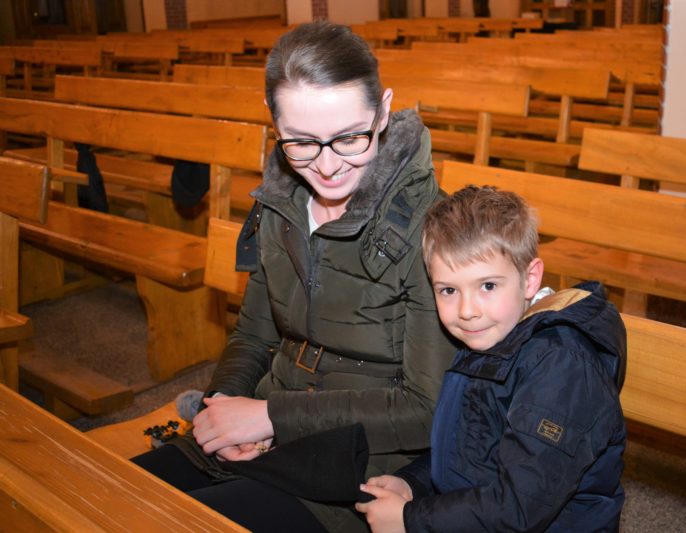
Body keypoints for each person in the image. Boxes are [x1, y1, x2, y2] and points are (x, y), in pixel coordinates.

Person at [132, 21, 459, 533]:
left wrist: (269, 416)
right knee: (114, 496)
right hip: (269, 422)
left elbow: (426, 410)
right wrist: (224, 409)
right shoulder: (280, 205)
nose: (326, 166)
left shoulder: (433, 230)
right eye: (301, 142)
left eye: (349, 137)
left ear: (384, 111)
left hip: (361, 463)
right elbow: (253, 336)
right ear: (274, 122)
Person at [356, 185, 627, 532]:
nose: (467, 311)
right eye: (448, 290)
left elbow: (519, 508)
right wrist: (413, 483)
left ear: (530, 279)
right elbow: (469, 450)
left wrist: (411, 519)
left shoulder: (561, 368)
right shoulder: (491, 337)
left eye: (487, 286)